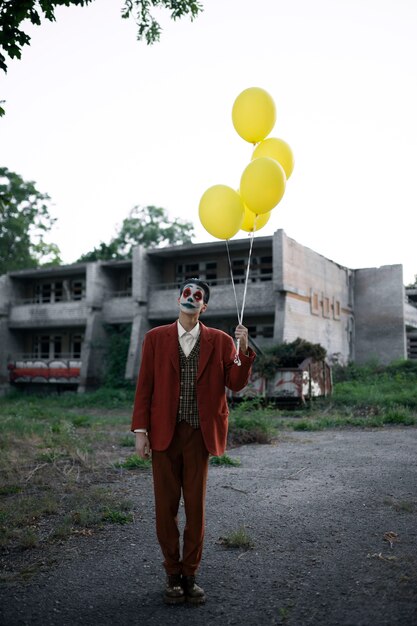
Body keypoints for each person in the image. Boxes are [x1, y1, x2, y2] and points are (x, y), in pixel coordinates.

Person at [131, 278, 255, 605]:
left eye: (197, 296)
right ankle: (172, 573)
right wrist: (140, 432)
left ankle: (191, 574)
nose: (190, 298)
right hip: (163, 434)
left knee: (196, 510)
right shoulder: (155, 338)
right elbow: (145, 387)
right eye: (186, 293)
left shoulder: (221, 340)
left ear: (205, 306)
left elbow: (236, 383)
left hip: (200, 435)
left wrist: (243, 349)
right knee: (165, 510)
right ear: (178, 300)